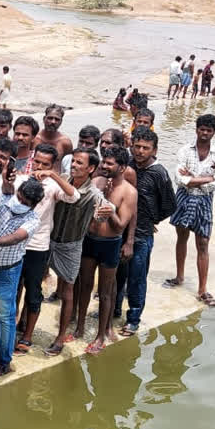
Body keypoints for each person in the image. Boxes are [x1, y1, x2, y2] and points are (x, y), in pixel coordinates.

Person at [0, 178, 44, 378]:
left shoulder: (32, 220)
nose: (18, 202)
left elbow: (16, 237)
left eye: (24, 202)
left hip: (7, 272)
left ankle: (4, 362)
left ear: (32, 205)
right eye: (18, 197)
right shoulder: (4, 199)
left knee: (5, 317)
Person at [14, 143, 79, 354]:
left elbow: (73, 196)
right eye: (37, 162)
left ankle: (27, 336)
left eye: (45, 164)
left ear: (53, 165)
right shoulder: (21, 180)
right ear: (31, 158)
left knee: (33, 291)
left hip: (38, 246)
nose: (39, 167)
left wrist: (53, 175)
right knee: (14, 288)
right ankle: (13, 326)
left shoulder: (52, 186)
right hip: (14, 243)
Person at [76, 147, 137, 354]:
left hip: (110, 243)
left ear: (122, 167)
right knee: (84, 286)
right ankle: (79, 328)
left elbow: (120, 225)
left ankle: (101, 335)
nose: (104, 166)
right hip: (89, 239)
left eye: (109, 164)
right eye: (104, 162)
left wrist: (109, 209)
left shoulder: (129, 192)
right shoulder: (96, 182)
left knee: (105, 292)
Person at [163, 114, 215, 307]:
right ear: (196, 129)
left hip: (204, 201)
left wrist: (194, 180)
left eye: (209, 130)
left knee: (203, 243)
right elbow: (179, 180)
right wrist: (206, 179)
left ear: (214, 132)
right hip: (183, 197)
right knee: (182, 236)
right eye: (202, 129)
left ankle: (202, 289)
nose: (205, 133)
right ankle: (179, 276)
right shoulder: (184, 151)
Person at [120, 126, 176, 336]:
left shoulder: (159, 173)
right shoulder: (126, 166)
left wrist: (152, 219)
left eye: (146, 148)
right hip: (121, 230)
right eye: (137, 146)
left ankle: (133, 318)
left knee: (137, 277)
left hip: (142, 234)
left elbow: (170, 205)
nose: (140, 151)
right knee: (117, 276)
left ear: (154, 150)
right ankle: (115, 310)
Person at [44, 149, 101, 356]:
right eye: (73, 161)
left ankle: (60, 338)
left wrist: (106, 213)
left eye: (80, 163)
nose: (74, 165)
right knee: (29, 281)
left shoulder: (93, 194)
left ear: (91, 169)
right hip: (48, 240)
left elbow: (104, 211)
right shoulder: (61, 182)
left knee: (68, 291)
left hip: (71, 245)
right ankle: (23, 324)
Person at [32, 104, 72, 169]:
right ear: (44, 118)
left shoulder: (65, 143)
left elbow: (68, 164)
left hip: (54, 177)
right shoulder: (34, 139)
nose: (53, 122)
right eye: (50, 118)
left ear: (61, 122)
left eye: (57, 119)